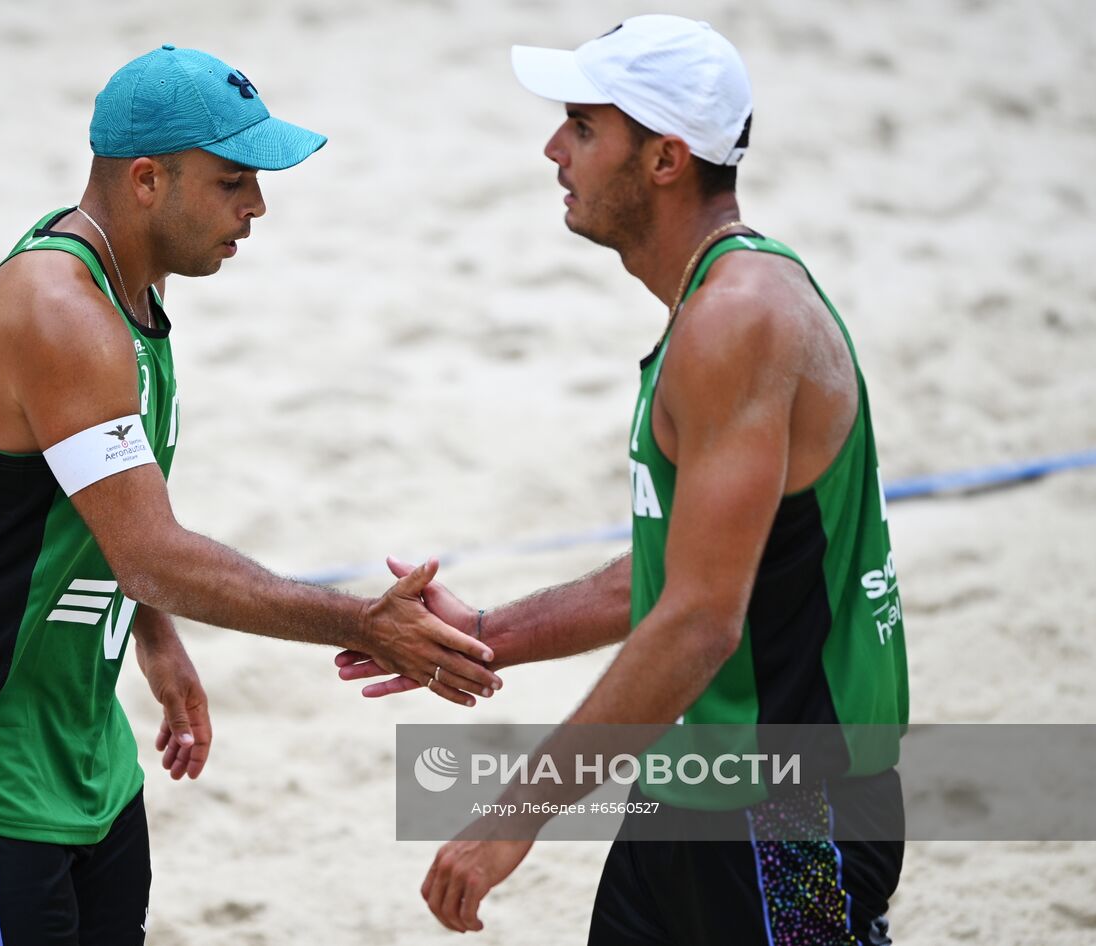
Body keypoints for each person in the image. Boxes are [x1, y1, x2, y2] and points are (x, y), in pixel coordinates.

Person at [0, 44, 502, 946]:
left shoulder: (131, 293)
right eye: (234, 181)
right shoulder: (60, 310)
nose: (258, 206)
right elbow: (149, 550)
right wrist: (361, 623)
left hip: (79, 748)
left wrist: (155, 635)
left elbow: (104, 506)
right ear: (147, 179)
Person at [336, 15, 908, 944]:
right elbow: (682, 570)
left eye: (585, 127)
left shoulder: (741, 321)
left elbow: (699, 620)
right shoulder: (717, 307)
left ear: (666, 159)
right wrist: (487, 634)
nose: (553, 147)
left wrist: (513, 815)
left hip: (791, 812)